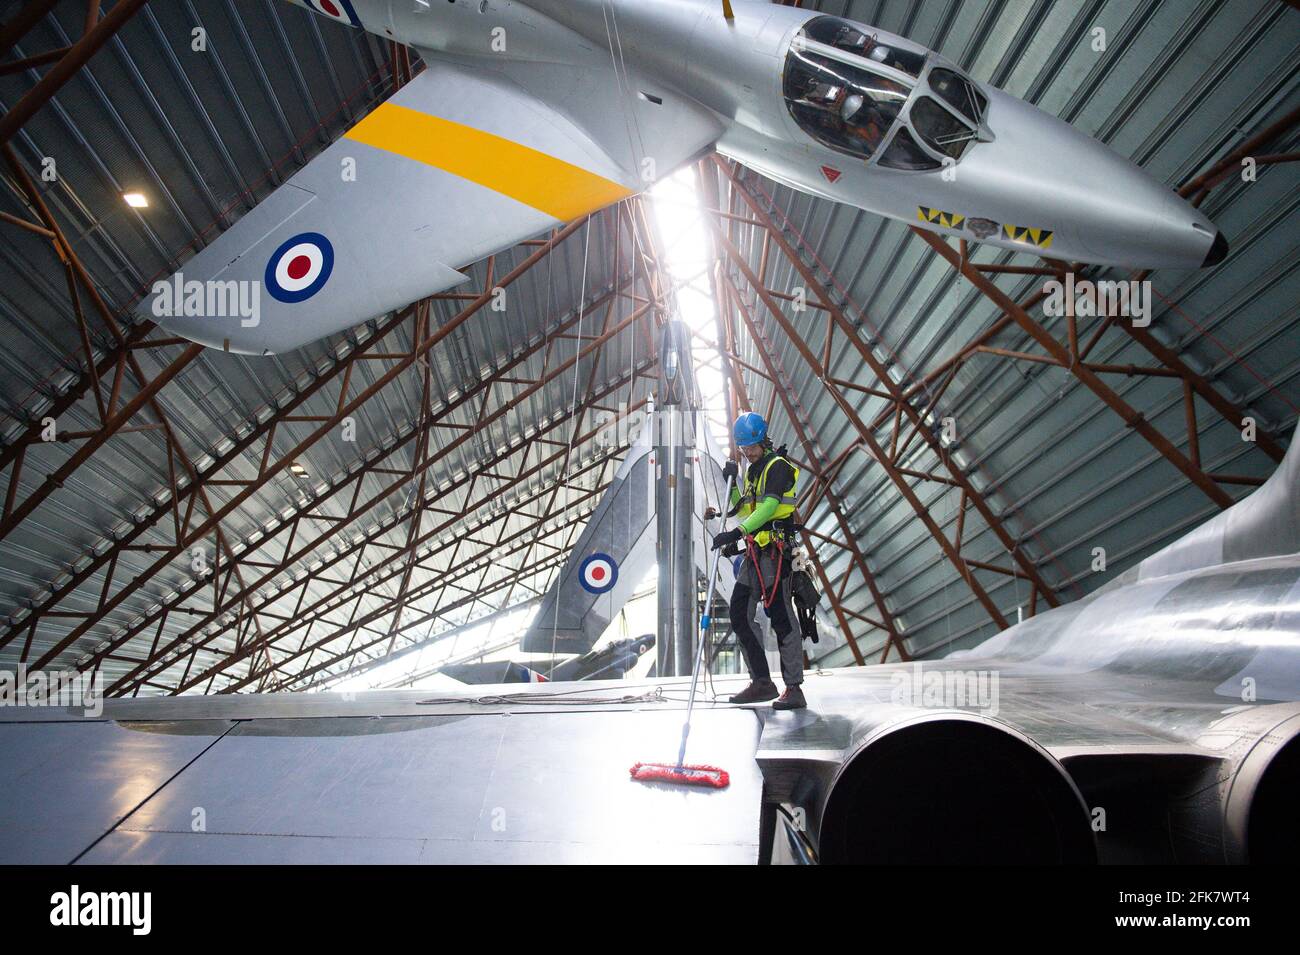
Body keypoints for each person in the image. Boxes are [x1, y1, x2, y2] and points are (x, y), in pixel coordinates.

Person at [711, 412, 806, 710]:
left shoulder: (778, 468)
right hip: (755, 554)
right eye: (743, 448)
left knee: (780, 617)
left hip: (776, 554)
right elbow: (744, 510)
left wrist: (735, 534)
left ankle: (794, 688)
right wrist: (733, 484)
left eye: (751, 446)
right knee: (739, 613)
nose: (747, 452)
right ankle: (762, 682)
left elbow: (768, 510)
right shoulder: (752, 471)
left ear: (763, 441)